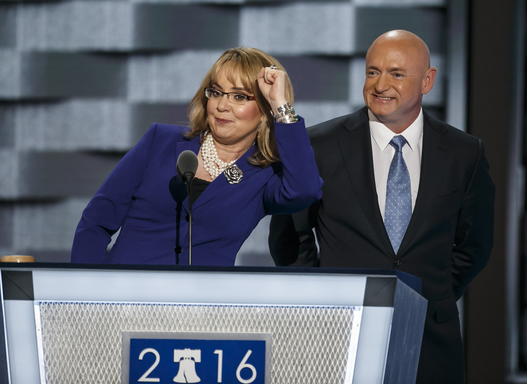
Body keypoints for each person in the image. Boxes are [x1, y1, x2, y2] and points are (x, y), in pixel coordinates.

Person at [269, 30, 495, 383]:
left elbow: (474, 246)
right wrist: (325, 297)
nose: (380, 84)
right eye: (373, 72)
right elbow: (289, 237)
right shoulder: (318, 145)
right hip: (338, 336)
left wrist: (428, 296)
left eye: (396, 73)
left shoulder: (464, 153)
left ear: (427, 81)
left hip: (430, 342)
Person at [71, 47, 322, 266]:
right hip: (124, 297)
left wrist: (281, 106)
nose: (222, 106)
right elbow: (97, 221)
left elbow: (305, 191)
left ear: (266, 109)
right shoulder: (160, 141)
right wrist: (85, 291)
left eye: (239, 97)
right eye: (216, 92)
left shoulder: (264, 174)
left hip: (203, 303)